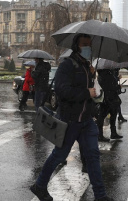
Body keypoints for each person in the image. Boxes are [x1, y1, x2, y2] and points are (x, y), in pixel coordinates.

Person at [31, 33, 113, 201]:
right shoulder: (67, 66)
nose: (88, 48)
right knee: (59, 156)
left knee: (93, 155)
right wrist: (86, 92)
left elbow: (92, 93)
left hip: (87, 121)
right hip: (70, 121)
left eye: (89, 45)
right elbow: (62, 91)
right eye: (85, 44)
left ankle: (100, 195)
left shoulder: (86, 67)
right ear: (76, 46)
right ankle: (39, 186)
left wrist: (92, 78)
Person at [96, 68, 123, 141]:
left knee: (113, 115)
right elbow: (109, 86)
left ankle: (113, 133)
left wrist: (116, 78)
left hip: (111, 98)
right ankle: (100, 135)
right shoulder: (105, 74)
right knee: (102, 116)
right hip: (107, 99)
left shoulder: (108, 72)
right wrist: (118, 87)